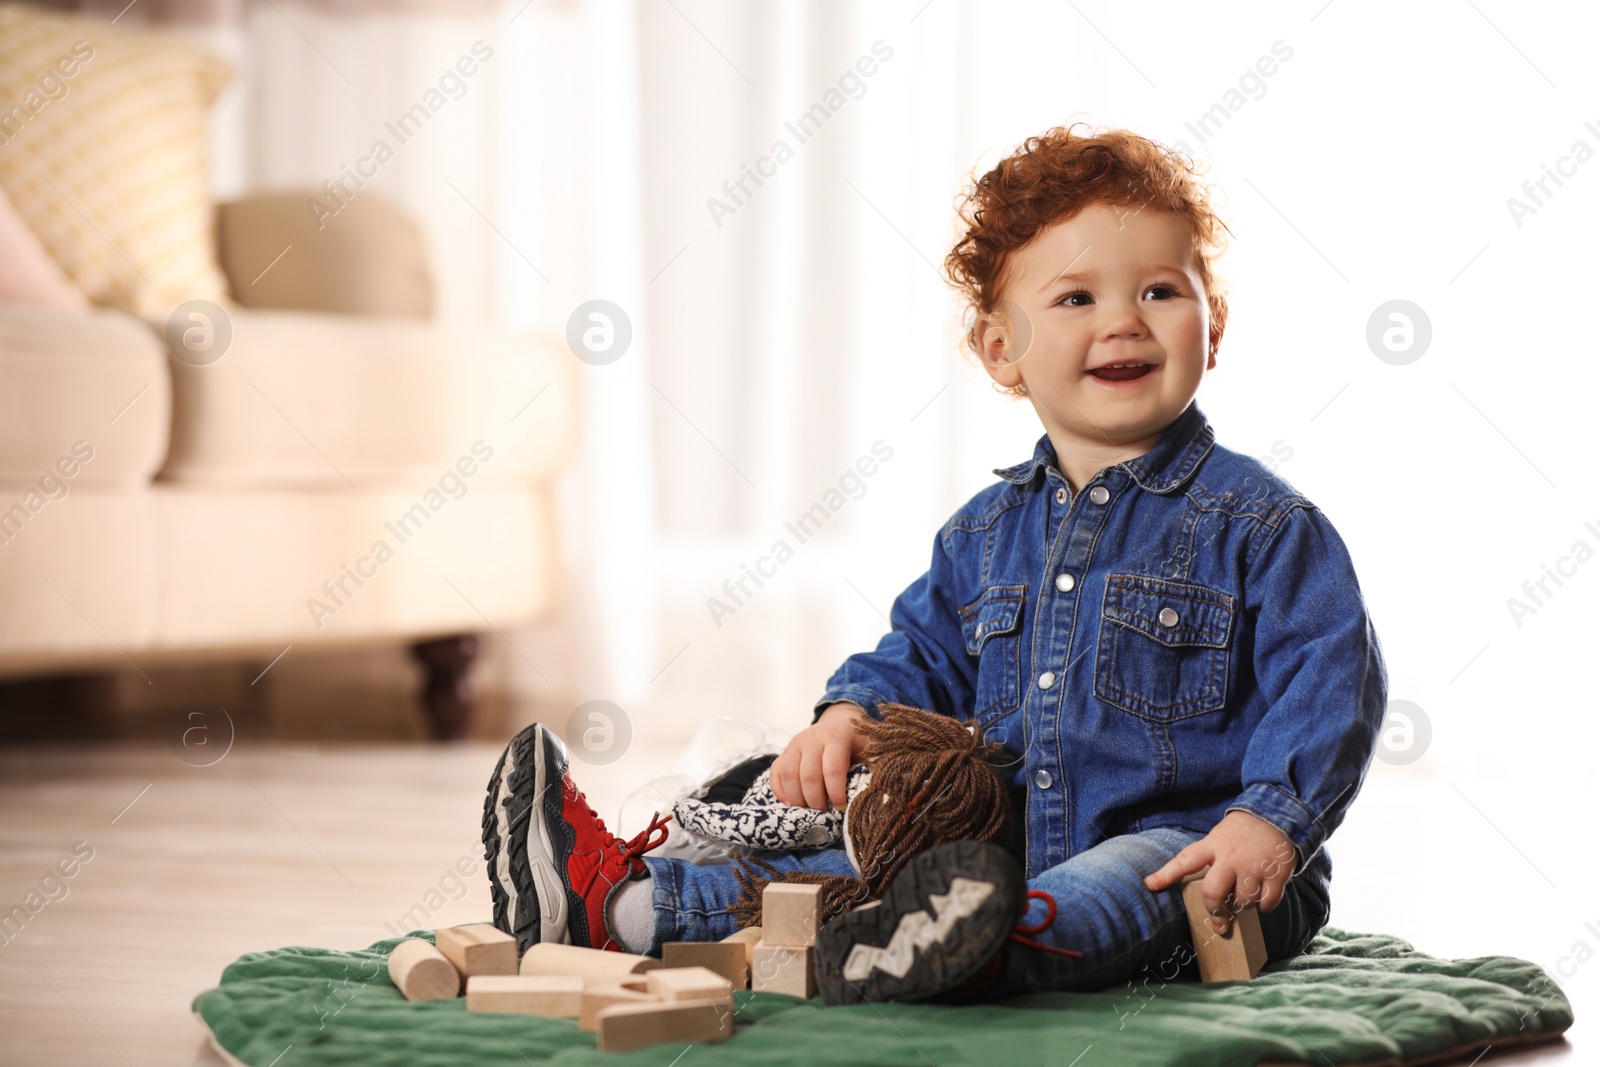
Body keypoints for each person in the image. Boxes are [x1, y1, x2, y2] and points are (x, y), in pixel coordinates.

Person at [481, 123, 1388, 1004]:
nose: (1124, 322)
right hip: (985, 852)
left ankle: (977, 950)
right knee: (840, 865)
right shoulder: (981, 534)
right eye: (1077, 299)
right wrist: (848, 715)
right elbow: (919, 656)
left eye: (1160, 291)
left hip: (1200, 856)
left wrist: (1269, 819)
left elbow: (1332, 676)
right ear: (1002, 350)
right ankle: (619, 907)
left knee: (1129, 876)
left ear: (1213, 324)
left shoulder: (1262, 523)